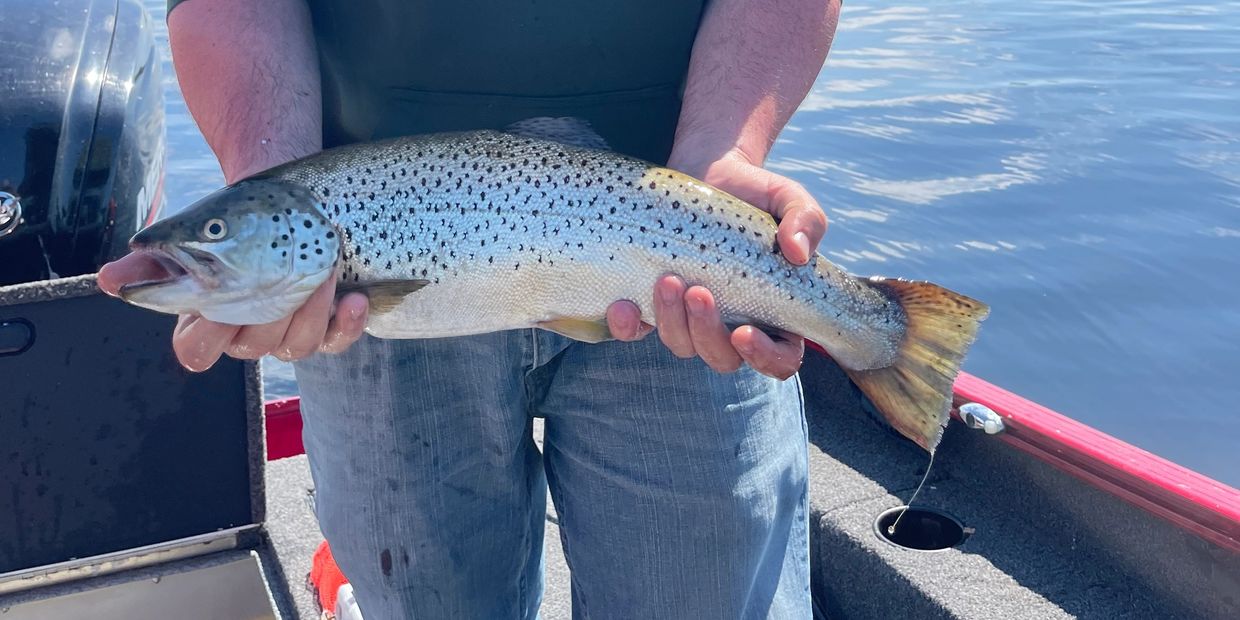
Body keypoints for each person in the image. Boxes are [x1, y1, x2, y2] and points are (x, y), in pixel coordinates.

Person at [99, 0, 841, 617]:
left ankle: (882, 332)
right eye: (217, 234)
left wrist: (723, 148)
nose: (207, 246)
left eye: (217, 233)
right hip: (370, 262)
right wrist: (266, 165)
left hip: (673, 235)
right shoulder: (310, 221)